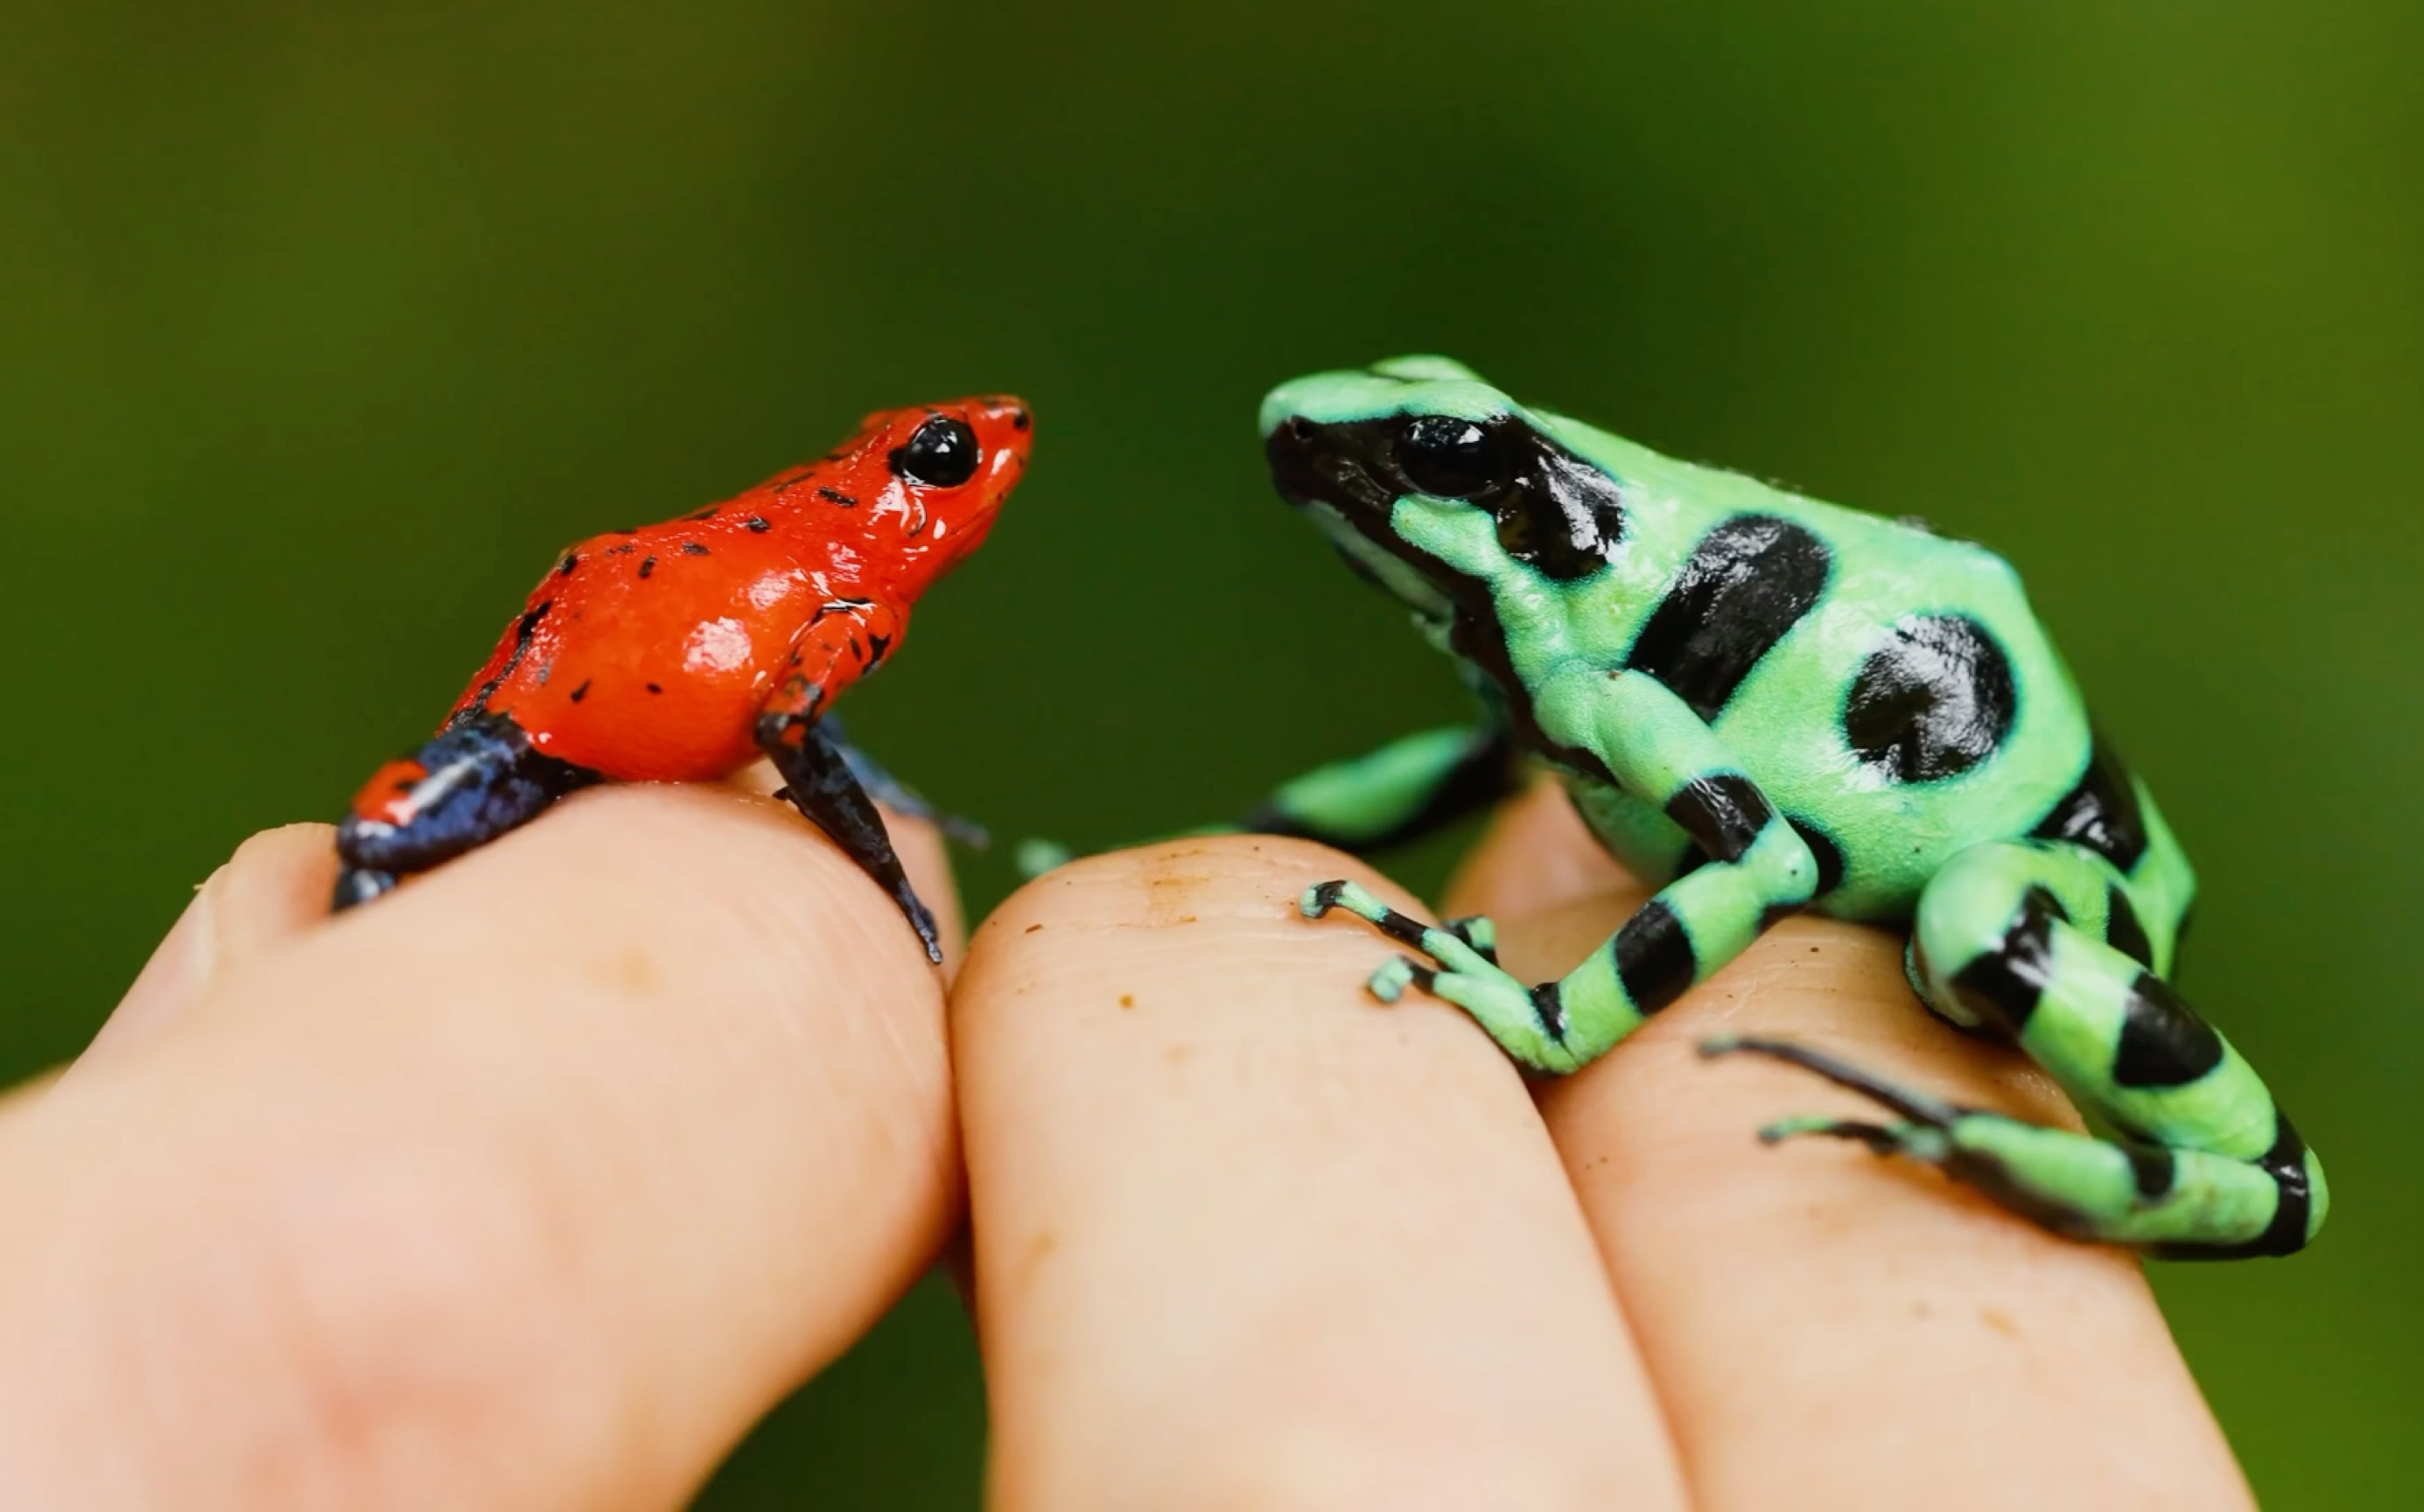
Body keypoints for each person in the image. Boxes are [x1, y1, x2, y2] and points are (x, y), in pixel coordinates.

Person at [0, 768, 2256, 1508]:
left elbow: (1757, 852)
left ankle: (2168, 1161)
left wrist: (1553, 1010)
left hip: (2023, 885)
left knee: (1959, 922)